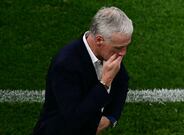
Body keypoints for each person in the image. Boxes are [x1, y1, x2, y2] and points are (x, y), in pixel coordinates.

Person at [32, 6, 133, 135]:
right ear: (99, 40)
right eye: (119, 47)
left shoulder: (109, 53)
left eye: (126, 46)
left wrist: (110, 118)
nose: (123, 53)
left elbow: (122, 82)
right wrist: (104, 83)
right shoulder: (65, 65)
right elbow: (73, 119)